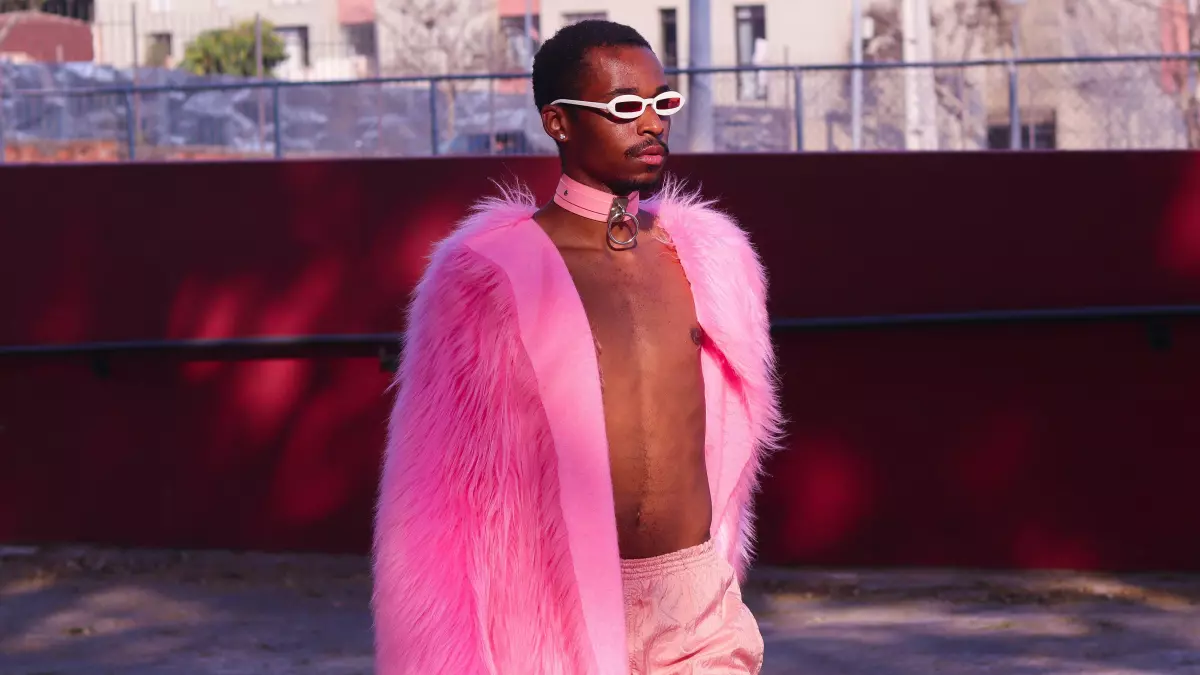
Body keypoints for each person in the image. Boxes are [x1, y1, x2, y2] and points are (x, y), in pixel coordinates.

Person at [371, 19, 781, 675]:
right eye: (624, 106)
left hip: (699, 603)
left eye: (662, 102)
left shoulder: (711, 261)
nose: (651, 122)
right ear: (558, 122)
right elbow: (433, 499)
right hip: (556, 612)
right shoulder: (485, 274)